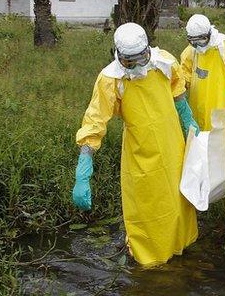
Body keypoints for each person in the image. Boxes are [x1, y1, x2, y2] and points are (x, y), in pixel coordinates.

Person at [72, 23, 200, 266]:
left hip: (173, 145)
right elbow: (94, 120)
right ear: (118, 55)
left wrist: (189, 121)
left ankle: (181, 244)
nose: (137, 66)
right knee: (147, 207)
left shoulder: (165, 63)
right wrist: (83, 168)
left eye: (141, 58)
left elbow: (178, 93)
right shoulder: (110, 79)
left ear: (148, 51)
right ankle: (150, 257)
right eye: (130, 62)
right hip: (140, 151)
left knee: (178, 199)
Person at [180, 14, 225, 130]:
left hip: (221, 110)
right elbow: (183, 77)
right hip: (197, 108)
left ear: (209, 34)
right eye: (193, 42)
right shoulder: (191, 51)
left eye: (201, 41)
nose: (198, 46)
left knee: (219, 143)